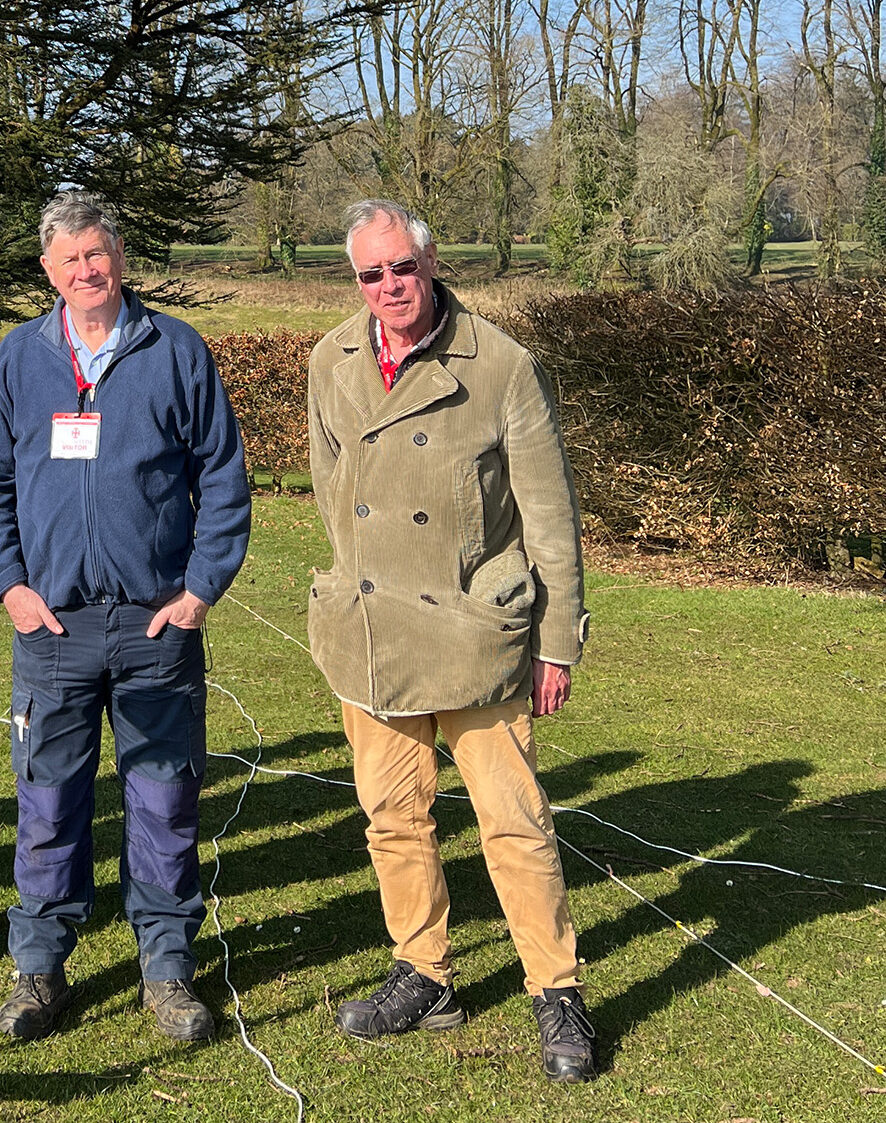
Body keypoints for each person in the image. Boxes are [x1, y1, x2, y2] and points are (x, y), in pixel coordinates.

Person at [306, 198, 597, 1083]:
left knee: (515, 824)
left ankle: (556, 990)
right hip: (374, 633)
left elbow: (550, 516)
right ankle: (424, 972)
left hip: (476, 635)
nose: (389, 286)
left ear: (430, 264)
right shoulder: (331, 360)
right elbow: (331, 489)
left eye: (402, 267)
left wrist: (557, 641)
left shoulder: (502, 365)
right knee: (394, 818)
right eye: (370, 274)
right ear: (353, 280)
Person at [0, 191, 250, 1044]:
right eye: (70, 260)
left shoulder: (176, 351)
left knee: (163, 802)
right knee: (49, 803)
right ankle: (40, 969)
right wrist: (11, 585)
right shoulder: (18, 360)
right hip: (52, 629)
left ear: (117, 258)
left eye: (98, 254)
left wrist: (199, 588)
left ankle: (166, 969)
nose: (87, 271)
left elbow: (224, 477)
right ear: (47, 271)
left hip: (156, 625)